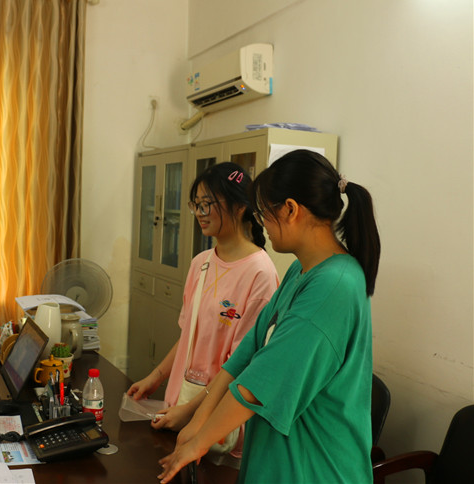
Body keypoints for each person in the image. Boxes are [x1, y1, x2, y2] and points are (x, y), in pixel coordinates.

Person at [158, 149, 381, 483]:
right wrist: (198, 421)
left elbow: (261, 383)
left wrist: (200, 441)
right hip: (277, 458)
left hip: (313, 468)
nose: (260, 223)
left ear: (290, 209)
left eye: (263, 213)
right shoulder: (299, 271)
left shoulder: (334, 286)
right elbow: (247, 353)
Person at [127, 162, 279, 466]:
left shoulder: (260, 274)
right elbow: (188, 336)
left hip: (219, 420)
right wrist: (155, 377)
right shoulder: (201, 263)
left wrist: (192, 411)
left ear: (239, 206)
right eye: (196, 204)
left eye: (207, 203)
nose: (199, 212)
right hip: (180, 406)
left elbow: (243, 365)